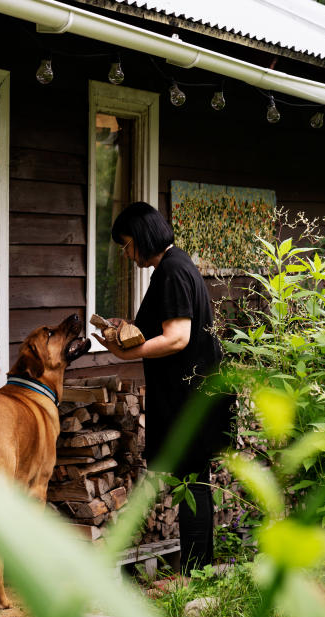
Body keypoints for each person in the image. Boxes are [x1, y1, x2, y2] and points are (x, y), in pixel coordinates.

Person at [93, 201, 233, 572]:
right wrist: (125, 330)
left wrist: (127, 354)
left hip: (187, 397)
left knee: (190, 483)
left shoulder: (171, 271)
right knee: (195, 482)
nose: (125, 253)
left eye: (125, 244)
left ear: (141, 237)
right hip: (196, 393)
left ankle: (191, 574)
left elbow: (177, 338)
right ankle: (199, 570)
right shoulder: (177, 265)